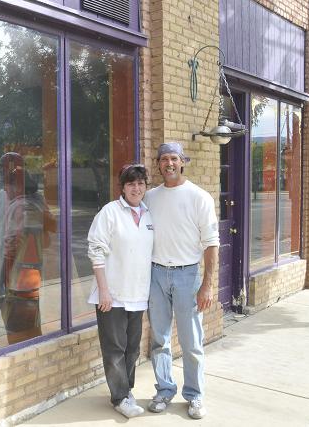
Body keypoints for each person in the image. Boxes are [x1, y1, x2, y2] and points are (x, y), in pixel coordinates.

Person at [144, 142, 219, 420]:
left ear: (182, 162)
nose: (169, 164)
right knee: (159, 340)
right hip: (156, 274)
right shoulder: (150, 197)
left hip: (188, 275)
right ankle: (164, 390)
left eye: (174, 158)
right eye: (164, 159)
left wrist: (207, 284)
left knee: (191, 341)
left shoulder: (199, 197)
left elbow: (212, 244)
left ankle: (195, 395)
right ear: (159, 164)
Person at [87, 164, 153, 418]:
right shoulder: (110, 212)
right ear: (123, 188)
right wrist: (104, 291)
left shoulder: (148, 215)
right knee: (114, 348)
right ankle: (119, 397)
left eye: (140, 183)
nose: (136, 188)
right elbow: (96, 250)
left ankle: (126, 390)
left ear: (145, 186)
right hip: (112, 295)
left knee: (132, 349)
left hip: (138, 294)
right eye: (130, 184)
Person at [0, 152, 56, 344]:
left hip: (22, 274)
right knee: (27, 319)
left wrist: (7, 271)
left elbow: (18, 244)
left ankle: (22, 350)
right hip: (28, 272)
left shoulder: (24, 206)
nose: (6, 187)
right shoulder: (30, 203)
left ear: (19, 185)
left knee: (19, 323)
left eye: (10, 183)